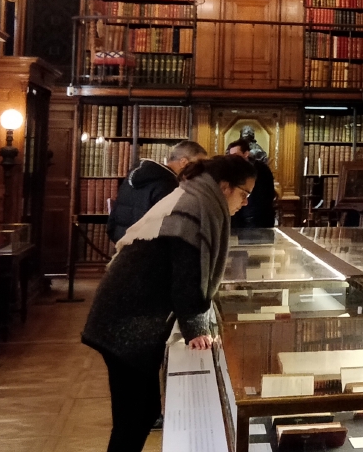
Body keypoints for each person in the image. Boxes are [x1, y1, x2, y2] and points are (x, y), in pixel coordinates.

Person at [81, 154, 255, 452]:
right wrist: (197, 330)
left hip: (126, 319)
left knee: (144, 412)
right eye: (244, 193)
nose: (246, 202)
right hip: (126, 325)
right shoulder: (195, 209)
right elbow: (186, 280)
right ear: (225, 186)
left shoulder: (193, 198)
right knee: (132, 420)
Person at [107, 140, 206, 243]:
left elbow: (112, 222)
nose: (201, 172)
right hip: (145, 247)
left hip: (121, 241)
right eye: (199, 166)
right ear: (183, 162)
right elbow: (169, 228)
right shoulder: (169, 184)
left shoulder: (135, 175)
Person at [227, 138, 276, 228]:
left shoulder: (261, 169)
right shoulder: (233, 169)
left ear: (246, 154)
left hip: (257, 218)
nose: (233, 158)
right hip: (239, 217)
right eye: (231, 156)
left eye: (236, 155)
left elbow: (264, 195)